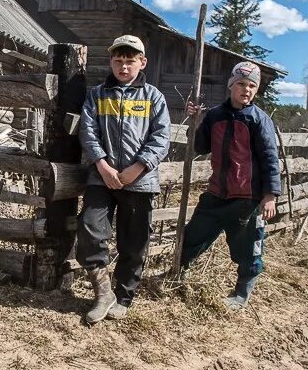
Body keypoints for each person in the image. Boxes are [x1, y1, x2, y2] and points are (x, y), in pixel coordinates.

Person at [78, 34, 171, 324]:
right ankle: (103, 292)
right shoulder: (97, 94)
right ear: (111, 62)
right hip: (101, 178)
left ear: (142, 63)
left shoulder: (153, 97)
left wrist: (137, 168)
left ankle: (124, 296)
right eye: (118, 61)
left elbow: (161, 138)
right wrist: (103, 166)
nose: (124, 67)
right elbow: (88, 131)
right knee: (90, 227)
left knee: (134, 241)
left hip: (139, 181)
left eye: (130, 61)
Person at [180, 61, 281, 310]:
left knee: (248, 248)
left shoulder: (259, 120)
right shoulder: (215, 116)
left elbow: (270, 158)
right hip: (217, 193)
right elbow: (200, 146)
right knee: (192, 236)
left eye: (251, 86)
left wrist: (270, 195)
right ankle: (177, 273)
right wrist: (195, 121)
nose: (246, 90)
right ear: (231, 86)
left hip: (247, 198)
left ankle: (241, 293)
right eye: (241, 84)